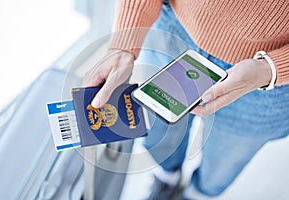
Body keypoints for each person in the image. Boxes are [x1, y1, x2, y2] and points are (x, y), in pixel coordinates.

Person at [83, 0, 289, 199]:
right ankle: (167, 177)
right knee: (160, 134)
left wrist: (269, 69)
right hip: (177, 30)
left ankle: (197, 195)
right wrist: (124, 43)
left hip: (266, 79)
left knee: (221, 166)